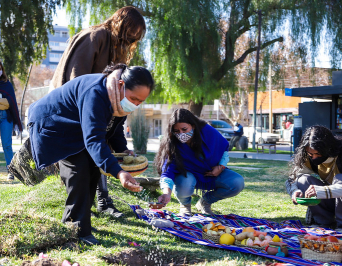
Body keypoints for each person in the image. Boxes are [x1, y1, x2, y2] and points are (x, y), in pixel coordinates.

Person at [28, 64, 155, 245]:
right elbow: (94, 139)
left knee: (93, 169)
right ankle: (74, 230)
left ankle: (82, 224)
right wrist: (119, 172)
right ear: (120, 85)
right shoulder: (96, 93)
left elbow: (115, 128)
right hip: (54, 125)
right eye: (134, 98)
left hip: (77, 128)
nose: (135, 104)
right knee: (78, 170)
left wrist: (123, 150)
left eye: (140, 102)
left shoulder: (118, 98)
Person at [51, 6, 146, 218]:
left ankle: (96, 203)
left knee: (97, 154)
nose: (131, 42)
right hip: (75, 112)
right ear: (120, 25)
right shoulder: (95, 37)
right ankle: (80, 216)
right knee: (82, 162)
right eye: (129, 35)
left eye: (135, 39)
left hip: (95, 111)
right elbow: (76, 80)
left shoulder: (115, 48)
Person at [285, 125, 342, 234]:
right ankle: (324, 222)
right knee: (302, 180)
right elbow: (292, 179)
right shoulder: (308, 154)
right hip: (335, 199)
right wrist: (294, 190)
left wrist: (322, 191)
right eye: (311, 154)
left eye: (318, 154)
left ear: (328, 148)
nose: (314, 158)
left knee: (341, 178)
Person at [154, 108, 245, 216]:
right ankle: (185, 206)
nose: (181, 134)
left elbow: (224, 147)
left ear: (192, 125)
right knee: (185, 182)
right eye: (177, 131)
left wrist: (220, 167)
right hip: (188, 176)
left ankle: (205, 202)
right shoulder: (173, 143)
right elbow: (167, 170)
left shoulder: (207, 131)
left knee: (237, 183)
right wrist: (166, 193)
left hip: (211, 172)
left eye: (184, 129)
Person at [0, 61, 23, 180]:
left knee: (7, 145)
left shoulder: (7, 84)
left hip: (5, 118)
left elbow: (11, 103)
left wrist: (4, 101)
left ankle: (11, 171)